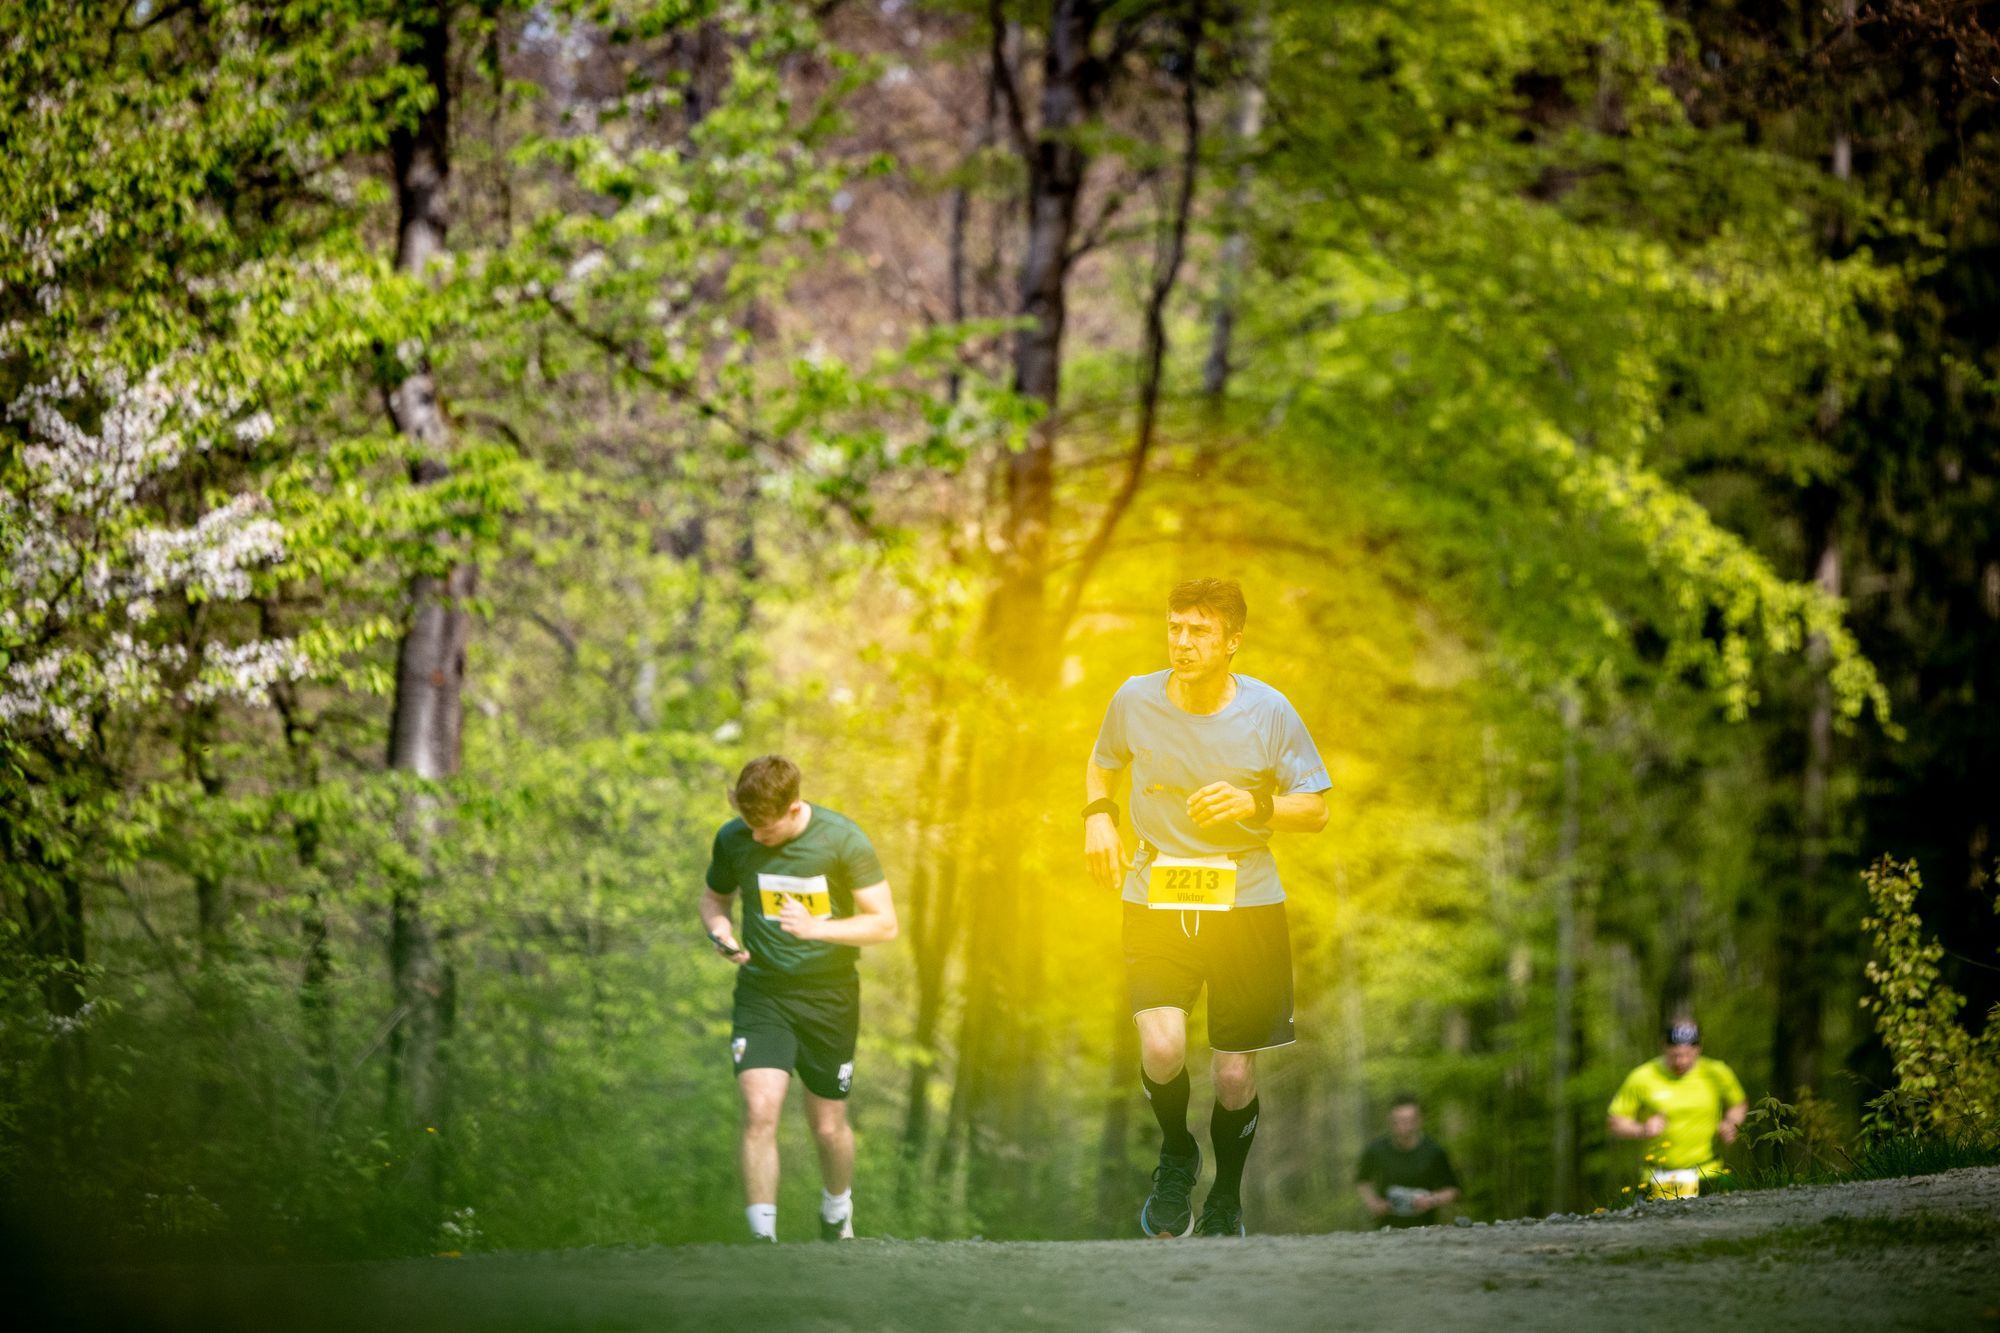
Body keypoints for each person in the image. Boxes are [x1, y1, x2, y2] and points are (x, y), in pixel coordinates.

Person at [1084, 578, 1331, 1239]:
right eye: (1175, 627)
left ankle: (1226, 1194)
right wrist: (1099, 817)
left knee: (1231, 1071)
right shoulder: (1134, 699)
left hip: (1246, 900)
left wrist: (1258, 805)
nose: (1183, 641)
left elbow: (1318, 807)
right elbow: (1101, 763)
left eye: (1198, 630)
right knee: (1161, 1046)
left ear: (1232, 642)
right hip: (1156, 893)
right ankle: (1175, 1151)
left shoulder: (1270, 712)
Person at [698, 755, 898, 1242]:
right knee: (759, 1109)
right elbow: (715, 899)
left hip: (828, 996)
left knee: (828, 1127)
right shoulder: (733, 839)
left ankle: (836, 1208)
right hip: (763, 992)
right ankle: (762, 1240)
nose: (756, 837)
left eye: (764, 829)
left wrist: (818, 929)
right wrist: (720, 932)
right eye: (749, 826)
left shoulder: (841, 839)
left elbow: (885, 924)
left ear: (793, 809)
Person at [1606, 1019, 1748, 1199]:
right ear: (1663, 1047)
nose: (1681, 1061)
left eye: (1688, 1054)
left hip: (1709, 1171)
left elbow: (1738, 1103)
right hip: (1658, 1176)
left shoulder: (1716, 1073)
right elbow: (1615, 1122)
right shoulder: (1642, 1077)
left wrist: (1731, 1123)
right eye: (1675, 1055)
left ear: (1699, 1048)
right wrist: (1642, 1129)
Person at [1355, 1094, 1463, 1227]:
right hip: (1386, 1230)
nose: (1404, 1125)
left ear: (1420, 1120)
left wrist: (1432, 1200)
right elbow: (1362, 1180)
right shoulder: (1375, 1150)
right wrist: (1374, 1203)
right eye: (1398, 1120)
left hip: (1426, 1229)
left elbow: (1453, 1190)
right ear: (1390, 1120)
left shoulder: (1435, 1152)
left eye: (1409, 1120)